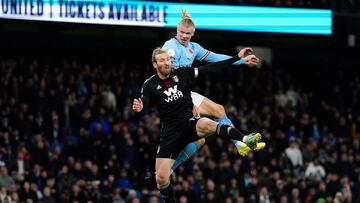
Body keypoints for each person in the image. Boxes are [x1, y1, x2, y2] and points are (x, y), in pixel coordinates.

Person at [133, 48, 262, 203]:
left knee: (208, 123)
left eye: (168, 59)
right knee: (161, 179)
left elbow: (211, 68)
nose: (167, 63)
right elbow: (144, 102)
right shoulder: (150, 84)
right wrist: (140, 107)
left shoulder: (182, 73)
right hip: (170, 133)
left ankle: (244, 139)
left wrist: (237, 58)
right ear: (155, 64)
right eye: (162, 60)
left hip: (190, 124)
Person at [162, 9, 265, 172]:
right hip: (171, 96)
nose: (183, 36)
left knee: (217, 113)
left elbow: (215, 58)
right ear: (176, 30)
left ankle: (240, 144)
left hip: (185, 93)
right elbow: (168, 79)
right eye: (181, 32)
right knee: (193, 137)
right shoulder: (170, 47)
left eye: (187, 33)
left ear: (193, 33)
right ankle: (164, 171)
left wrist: (240, 60)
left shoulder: (194, 48)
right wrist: (186, 103)